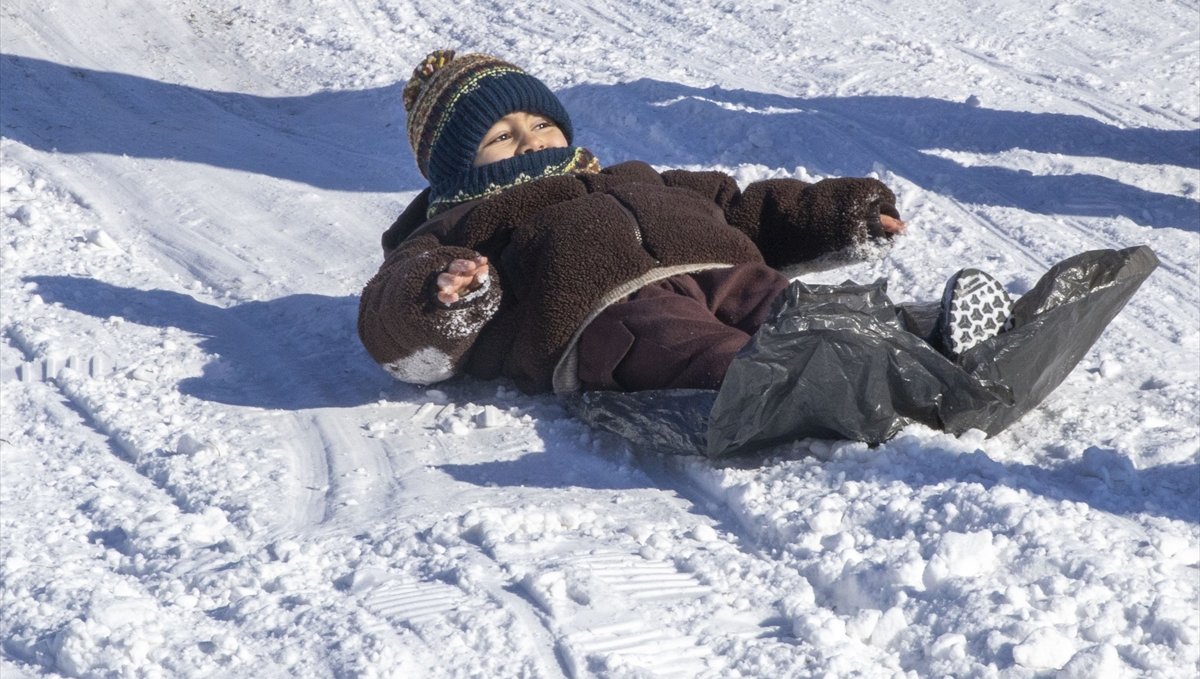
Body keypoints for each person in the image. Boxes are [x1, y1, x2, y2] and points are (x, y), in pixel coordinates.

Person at [357, 49, 1011, 397]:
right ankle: (785, 385)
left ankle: (923, 337)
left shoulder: (632, 175)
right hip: (601, 311)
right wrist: (445, 293)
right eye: (501, 136)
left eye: (540, 123)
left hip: (718, 268)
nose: (530, 141)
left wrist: (844, 214)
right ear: (456, 169)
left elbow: (745, 209)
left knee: (790, 304)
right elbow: (395, 320)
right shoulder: (460, 226)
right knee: (680, 341)